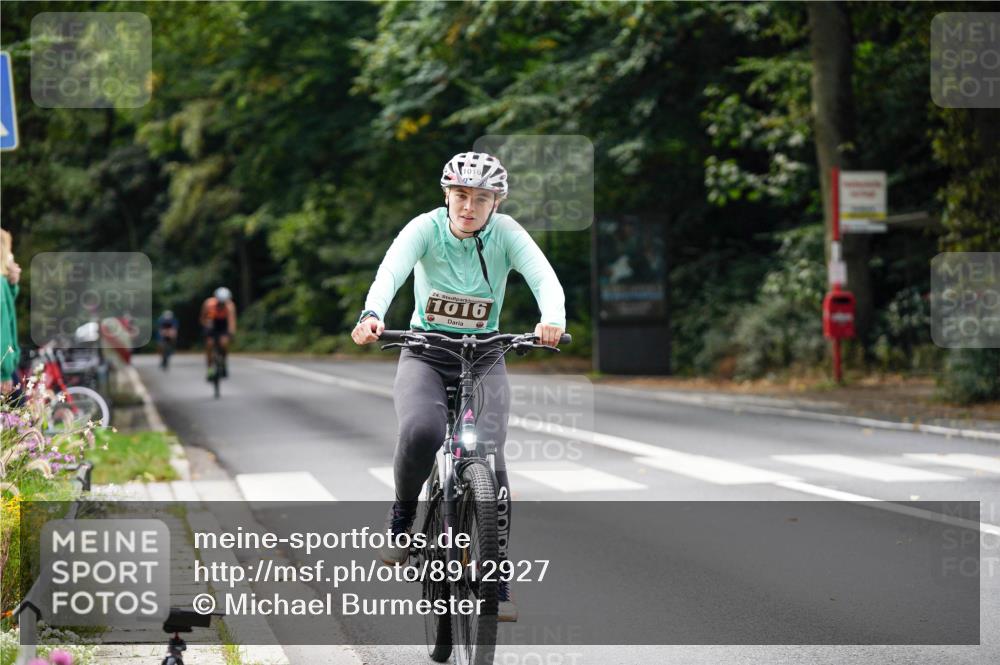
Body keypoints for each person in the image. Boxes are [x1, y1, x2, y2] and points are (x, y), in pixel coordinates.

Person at [351, 151, 566, 622]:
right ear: (447, 196)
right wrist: (372, 315)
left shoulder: (507, 234)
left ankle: (495, 571)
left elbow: (544, 277)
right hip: (425, 351)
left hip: (485, 353)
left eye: (482, 198)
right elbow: (390, 272)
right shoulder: (424, 229)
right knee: (423, 431)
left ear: (496, 203)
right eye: (461, 195)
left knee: (491, 450)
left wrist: (552, 319)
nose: (469, 206)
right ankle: (404, 517)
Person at [0, 230, 22, 397]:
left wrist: (12, 283)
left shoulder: (2, 281)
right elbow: (3, 329)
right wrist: (5, 372)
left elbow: (6, 305)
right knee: (23, 419)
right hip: (3, 369)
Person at [200, 287, 236, 380]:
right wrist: (206, 328)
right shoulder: (208, 304)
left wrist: (231, 333)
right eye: (220, 302)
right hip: (211, 324)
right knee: (209, 344)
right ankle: (210, 370)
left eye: (223, 303)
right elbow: (203, 318)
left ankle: (223, 363)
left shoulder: (230, 306)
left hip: (223, 324)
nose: (221, 305)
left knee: (224, 343)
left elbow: (231, 321)